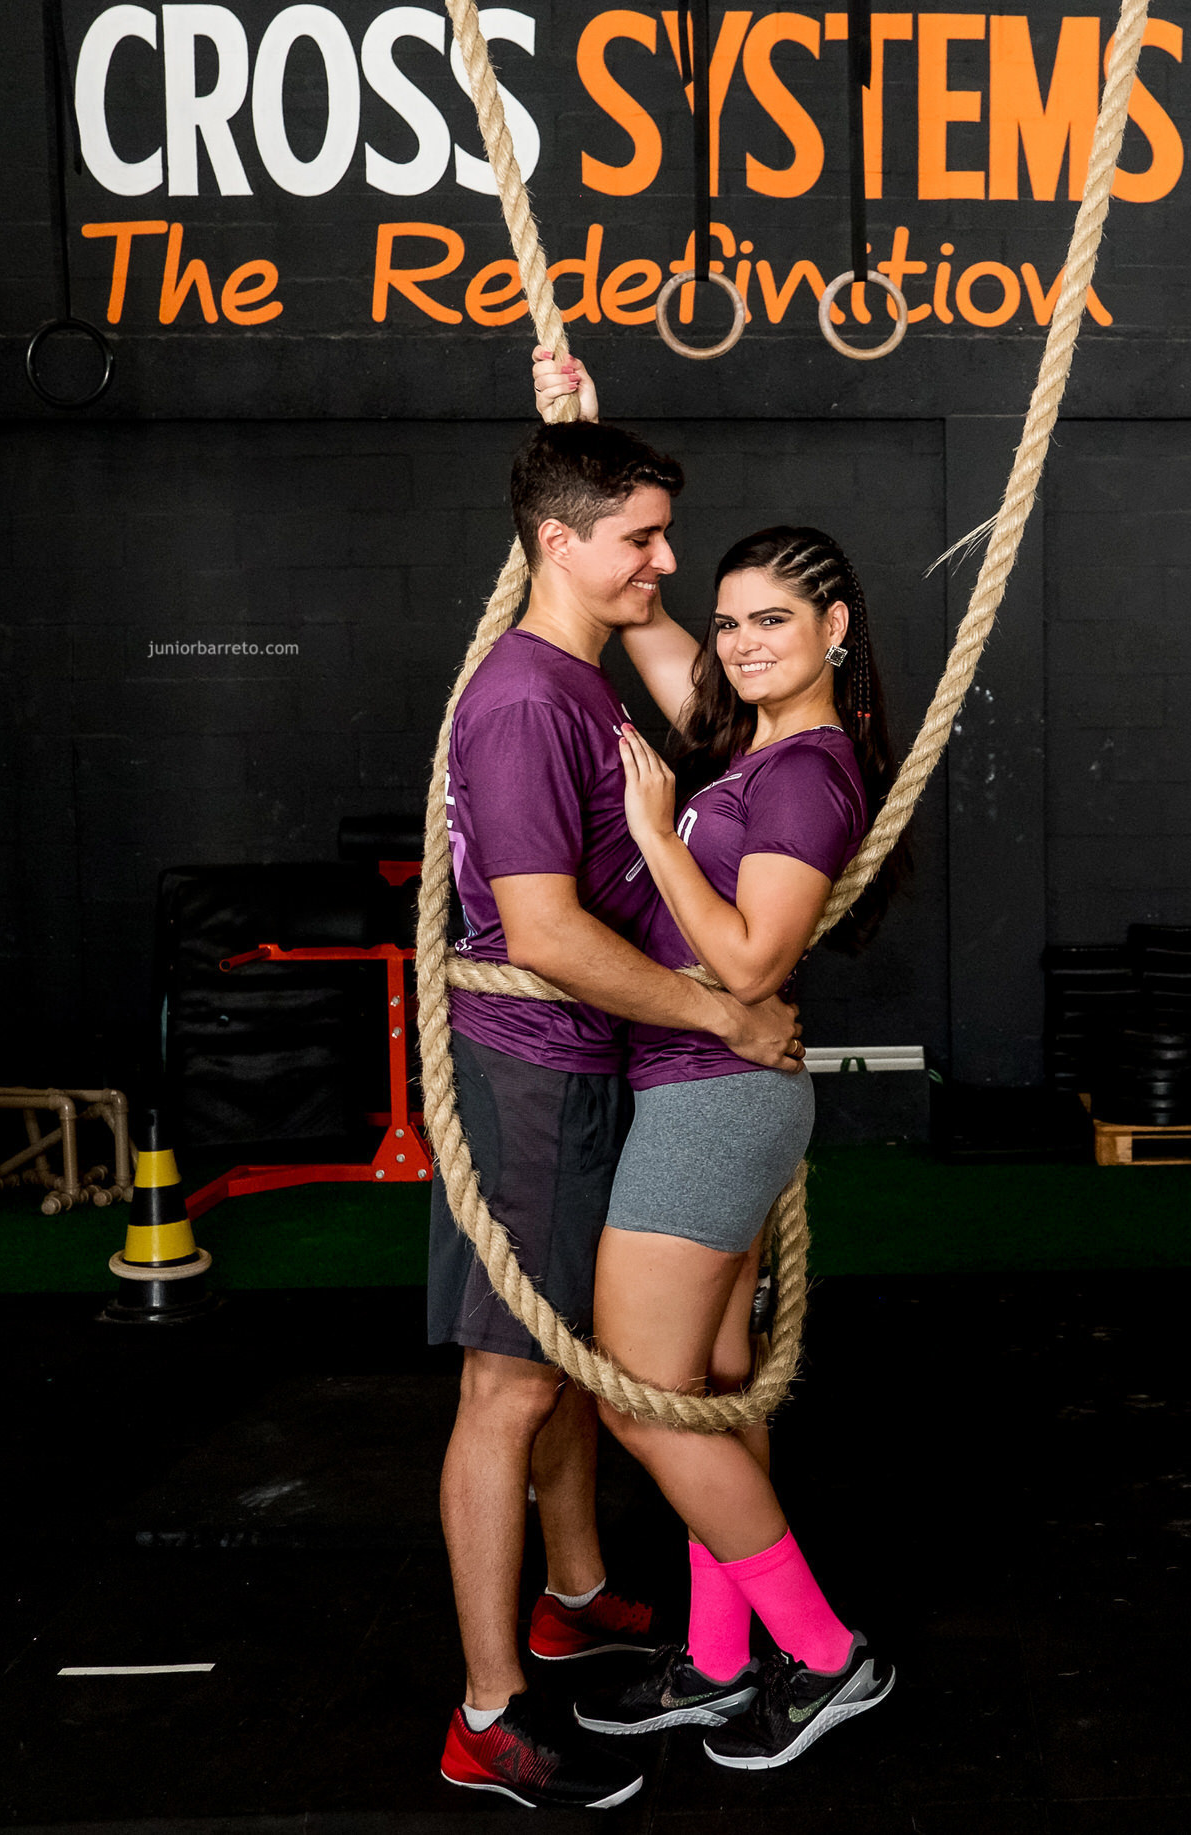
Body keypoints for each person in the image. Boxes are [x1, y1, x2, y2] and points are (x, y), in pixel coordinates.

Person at [429, 412, 806, 1808]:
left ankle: (574, 1598)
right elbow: (541, 932)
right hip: (532, 1073)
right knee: (510, 1385)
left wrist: (568, 402)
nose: (663, 560)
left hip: (593, 1068)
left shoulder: (582, 681)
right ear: (557, 543)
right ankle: (488, 1715)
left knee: (576, 1361)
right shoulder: (528, 699)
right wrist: (725, 1015)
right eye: (641, 540)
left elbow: (686, 673)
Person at [533, 350, 902, 1771]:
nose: (740, 644)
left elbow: (748, 966)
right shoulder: (750, 745)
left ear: (834, 627)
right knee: (708, 1384)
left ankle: (826, 1653)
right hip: (702, 1097)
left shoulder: (805, 774)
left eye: (772, 621)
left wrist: (646, 833)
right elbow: (651, 630)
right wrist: (579, 440)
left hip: (715, 1104)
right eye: (733, 621)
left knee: (640, 1402)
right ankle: (717, 1660)